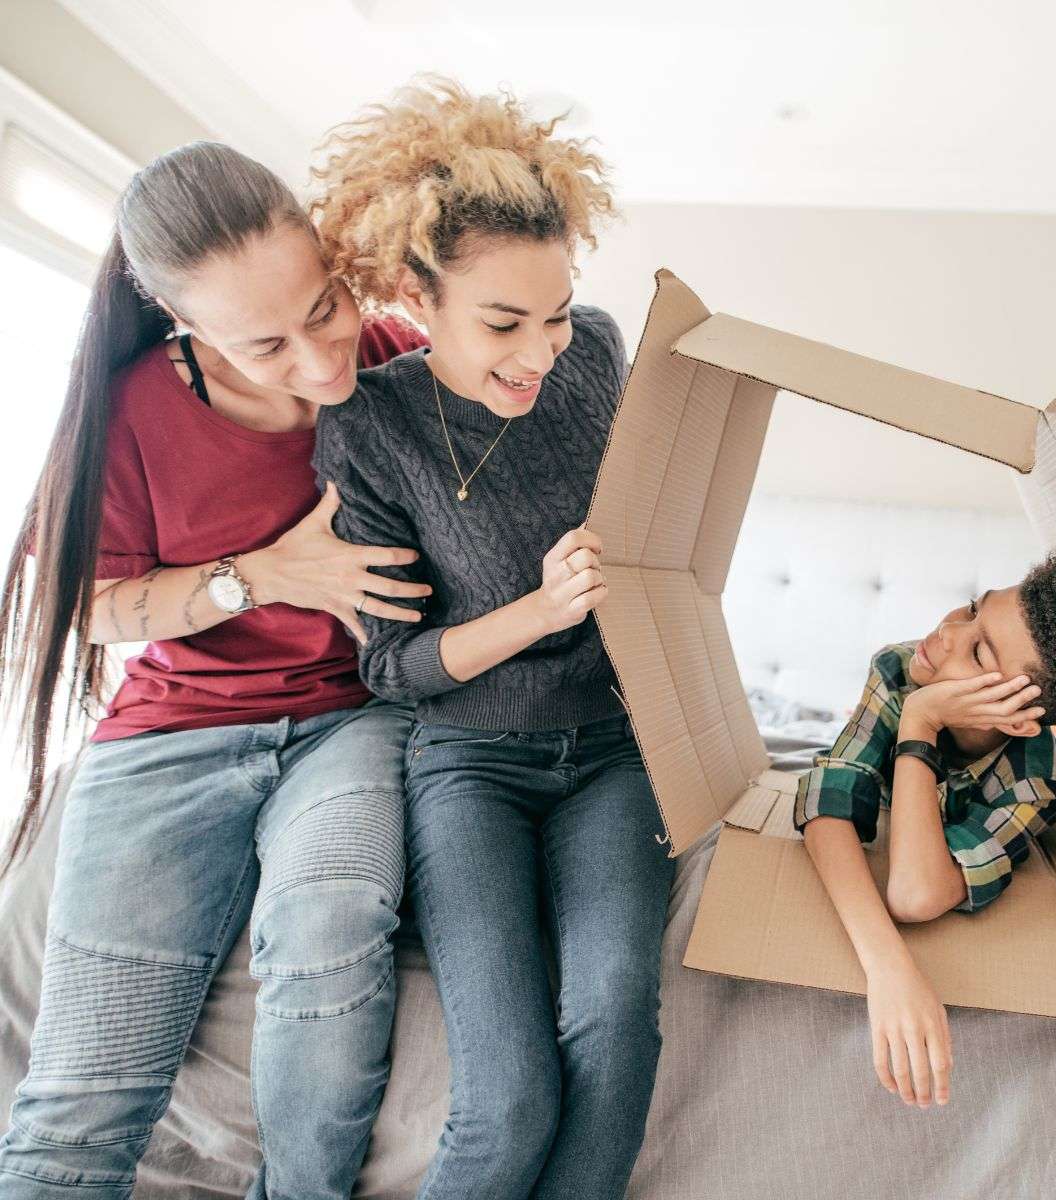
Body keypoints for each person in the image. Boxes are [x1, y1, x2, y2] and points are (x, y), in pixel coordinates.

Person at [0, 141, 430, 1199]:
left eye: (325, 305)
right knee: (81, 1105)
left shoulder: (395, 356)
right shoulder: (133, 412)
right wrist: (268, 575)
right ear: (186, 326)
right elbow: (92, 609)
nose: (324, 363)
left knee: (331, 924)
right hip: (173, 733)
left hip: (353, 720)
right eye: (265, 344)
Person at [310, 78, 675, 1200]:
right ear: (419, 297)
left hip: (613, 747)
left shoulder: (599, 354)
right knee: (510, 1096)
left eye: (557, 313)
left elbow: (644, 512)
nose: (542, 352)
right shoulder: (369, 427)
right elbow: (393, 669)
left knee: (614, 1019)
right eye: (504, 324)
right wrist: (539, 609)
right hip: (469, 762)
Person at [795, 543, 1056, 1112]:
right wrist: (888, 969)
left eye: (979, 654)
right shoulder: (903, 666)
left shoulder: (1033, 786)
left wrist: (920, 723)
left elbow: (915, 894)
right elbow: (829, 806)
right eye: (971, 608)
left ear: (1017, 717)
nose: (944, 632)